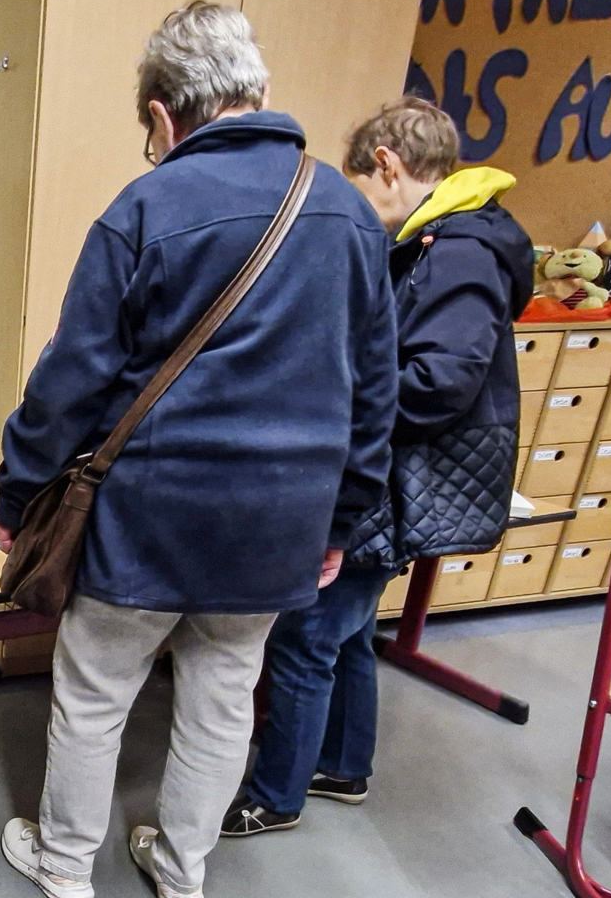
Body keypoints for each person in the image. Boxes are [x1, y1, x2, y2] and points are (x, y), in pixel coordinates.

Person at [0, 1, 398, 898]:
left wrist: (20, 493)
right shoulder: (345, 210)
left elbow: (72, 380)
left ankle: (64, 863)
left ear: (165, 116)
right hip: (280, 523)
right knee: (223, 696)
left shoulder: (146, 207)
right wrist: (341, 523)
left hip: (149, 512)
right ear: (256, 93)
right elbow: (375, 394)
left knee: (95, 691)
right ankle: (181, 874)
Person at [223, 96, 532, 837]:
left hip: (396, 482)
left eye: (359, 185)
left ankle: (276, 794)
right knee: (350, 631)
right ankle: (343, 766)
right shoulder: (446, 239)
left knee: (306, 636)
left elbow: (437, 385)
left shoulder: (459, 249)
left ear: (387, 166)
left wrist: (340, 397)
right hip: (397, 479)